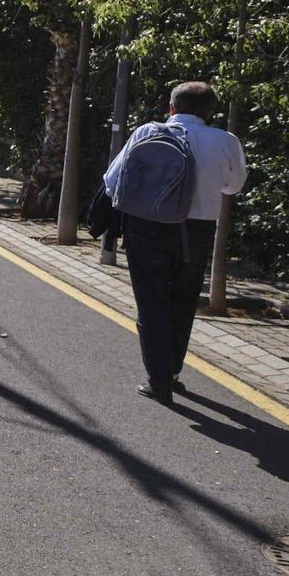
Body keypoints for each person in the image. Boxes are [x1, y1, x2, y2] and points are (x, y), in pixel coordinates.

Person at [104, 81, 248, 403]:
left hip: (147, 227)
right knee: (183, 303)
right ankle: (171, 372)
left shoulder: (146, 132)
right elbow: (234, 186)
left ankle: (159, 382)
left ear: (171, 108)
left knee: (151, 303)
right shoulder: (225, 141)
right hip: (197, 232)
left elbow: (113, 182)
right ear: (211, 112)